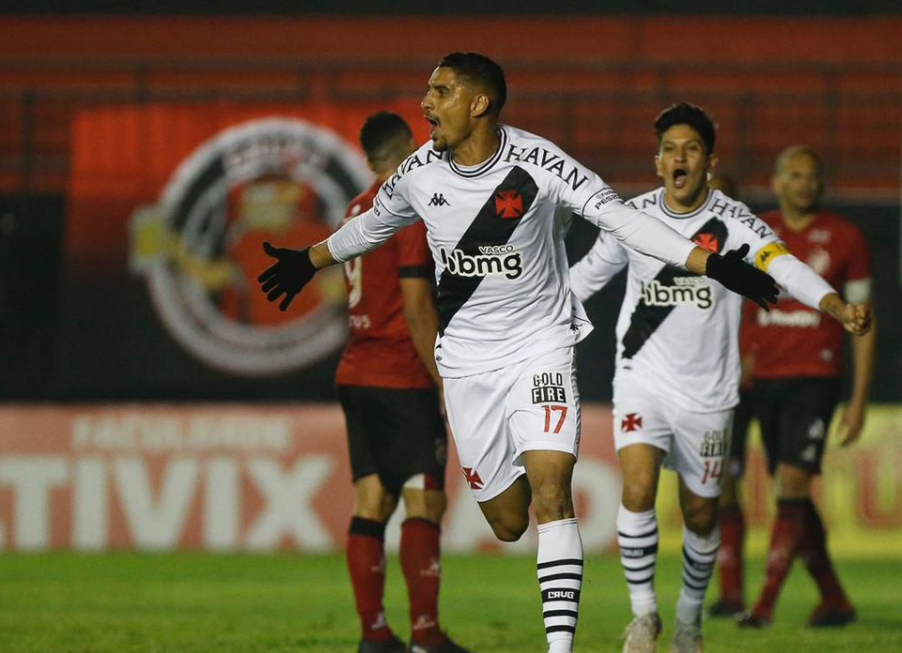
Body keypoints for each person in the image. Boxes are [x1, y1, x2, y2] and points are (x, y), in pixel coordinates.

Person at [257, 52, 783, 653]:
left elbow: (623, 222)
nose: (426, 103)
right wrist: (309, 259)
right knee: (509, 522)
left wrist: (711, 262)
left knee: (552, 493)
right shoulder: (420, 172)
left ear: (478, 103)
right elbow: (372, 224)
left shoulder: (540, 163)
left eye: (441, 91)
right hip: (467, 366)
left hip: (541, 348)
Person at [568, 105, 873, 653]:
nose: (678, 158)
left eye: (690, 149)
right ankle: (644, 618)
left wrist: (833, 304)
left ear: (709, 161)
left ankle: (688, 620)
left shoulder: (734, 222)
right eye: (669, 149)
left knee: (703, 511)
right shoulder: (630, 216)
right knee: (636, 489)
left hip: (709, 394)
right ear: (657, 160)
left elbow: (783, 266)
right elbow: (585, 278)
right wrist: (519, 318)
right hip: (642, 379)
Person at [712, 145, 877, 629]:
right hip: (755, 379)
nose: (805, 183)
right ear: (778, 181)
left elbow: (865, 320)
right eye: (795, 175)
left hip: (814, 378)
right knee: (763, 486)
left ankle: (761, 607)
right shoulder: (757, 231)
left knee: (792, 484)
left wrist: (859, 398)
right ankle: (830, 597)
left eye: (812, 175)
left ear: (821, 184)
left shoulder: (846, 238)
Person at [336, 111, 471, 653]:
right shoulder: (409, 209)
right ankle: (426, 637)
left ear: (370, 162)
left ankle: (374, 635)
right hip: (400, 373)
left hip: (355, 370)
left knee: (372, 497)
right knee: (424, 499)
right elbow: (417, 308)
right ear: (413, 148)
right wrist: (443, 378)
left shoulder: (355, 207)